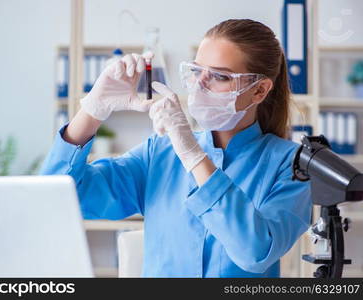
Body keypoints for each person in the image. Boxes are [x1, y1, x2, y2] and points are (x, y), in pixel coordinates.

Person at [40, 19, 312, 277]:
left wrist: (193, 156)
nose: (200, 84)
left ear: (259, 90)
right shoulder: (159, 153)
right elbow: (63, 200)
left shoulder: (292, 165)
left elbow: (255, 253)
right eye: (196, 71)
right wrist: (91, 111)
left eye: (219, 76)